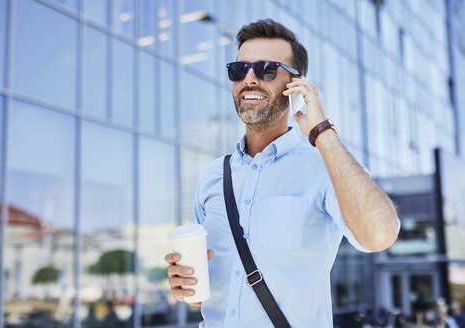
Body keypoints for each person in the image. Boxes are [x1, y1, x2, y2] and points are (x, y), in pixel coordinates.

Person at [165, 19, 400, 327]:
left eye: (266, 69)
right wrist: (187, 287)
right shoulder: (212, 176)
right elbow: (203, 292)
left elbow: (380, 235)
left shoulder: (325, 167)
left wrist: (322, 132)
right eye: (239, 69)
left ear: (296, 84)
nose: (249, 79)